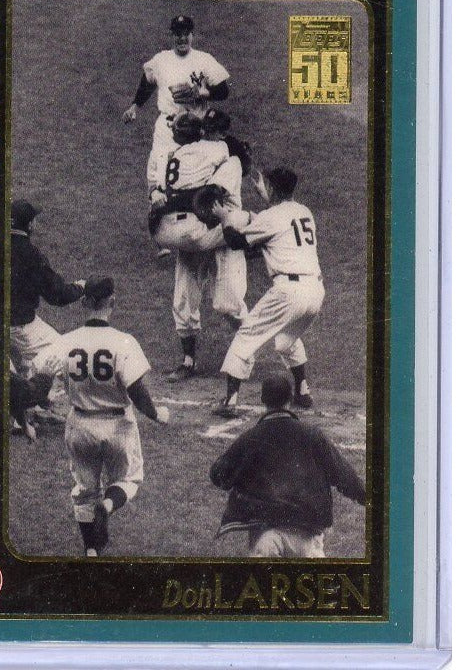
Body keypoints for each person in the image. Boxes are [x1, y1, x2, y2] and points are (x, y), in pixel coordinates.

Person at [35, 277, 170, 556]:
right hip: (118, 424)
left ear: (84, 302)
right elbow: (136, 389)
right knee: (129, 479)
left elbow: (40, 374)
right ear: (113, 302)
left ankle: (91, 551)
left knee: (84, 491)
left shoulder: (66, 341)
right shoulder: (124, 342)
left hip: (80, 424)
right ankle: (107, 506)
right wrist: (156, 414)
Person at [209, 373, 366, 558]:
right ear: (290, 399)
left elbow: (218, 475)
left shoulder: (251, 438)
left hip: (266, 539)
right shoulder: (313, 435)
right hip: (307, 535)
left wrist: (245, 477)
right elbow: (344, 476)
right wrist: (367, 497)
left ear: (262, 400)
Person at [209, 167, 323, 416]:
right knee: (285, 340)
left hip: (288, 292)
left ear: (272, 188)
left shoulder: (270, 217)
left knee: (246, 335)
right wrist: (267, 196)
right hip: (315, 290)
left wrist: (224, 217)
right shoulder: (304, 211)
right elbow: (280, 223)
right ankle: (303, 391)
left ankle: (230, 401)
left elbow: (236, 242)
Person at [147, 110, 251, 382]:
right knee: (184, 300)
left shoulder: (224, 160)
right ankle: (188, 361)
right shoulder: (219, 151)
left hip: (210, 232)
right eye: (210, 129)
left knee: (226, 303)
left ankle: (246, 349)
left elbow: (206, 195)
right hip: (202, 229)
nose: (212, 134)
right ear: (203, 131)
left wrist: (161, 197)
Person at [122, 15, 230, 256]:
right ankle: (160, 233)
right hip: (168, 125)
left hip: (196, 127)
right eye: (177, 34)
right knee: (158, 174)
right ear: (171, 36)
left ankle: (204, 223)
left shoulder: (204, 60)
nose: (182, 38)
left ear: (192, 35)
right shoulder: (161, 60)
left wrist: (202, 93)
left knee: (199, 174)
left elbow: (224, 90)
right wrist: (135, 106)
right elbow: (147, 82)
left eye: (186, 33)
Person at [9, 199, 85, 437]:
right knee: (61, 354)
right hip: (20, 325)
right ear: (29, 224)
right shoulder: (30, 254)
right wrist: (80, 288)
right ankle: (39, 404)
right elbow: (57, 295)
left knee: (16, 367)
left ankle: (23, 414)